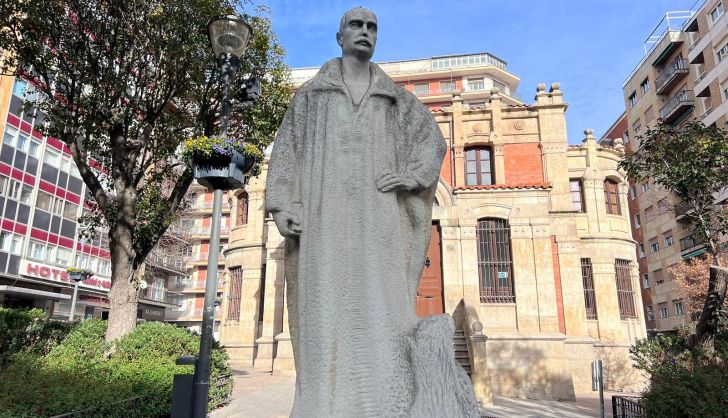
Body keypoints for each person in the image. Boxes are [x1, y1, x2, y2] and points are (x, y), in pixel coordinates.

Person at [266, 8, 477, 417]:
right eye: (356, 26)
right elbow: (287, 150)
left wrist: (411, 176)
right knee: (323, 304)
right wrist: (281, 205)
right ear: (340, 35)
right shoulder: (312, 96)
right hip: (323, 218)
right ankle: (325, 403)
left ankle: (381, 399)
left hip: (377, 219)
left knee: (384, 306)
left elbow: (432, 140)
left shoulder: (394, 98)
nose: (365, 32)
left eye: (372, 27)